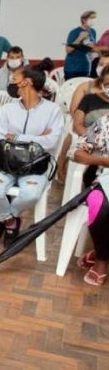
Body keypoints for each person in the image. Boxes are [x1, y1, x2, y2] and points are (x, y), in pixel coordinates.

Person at [0, 66, 64, 245]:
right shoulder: (7, 109)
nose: (12, 83)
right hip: (6, 163)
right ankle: (10, 221)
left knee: (31, 194)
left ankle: (3, 219)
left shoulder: (52, 111)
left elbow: (51, 141)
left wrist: (18, 137)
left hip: (35, 166)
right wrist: (37, 138)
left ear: (26, 82)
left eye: (15, 79)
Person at [57, 54, 109, 182]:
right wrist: (92, 135)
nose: (103, 68)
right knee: (72, 135)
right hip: (90, 132)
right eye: (101, 64)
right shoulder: (87, 91)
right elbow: (75, 114)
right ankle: (61, 167)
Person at [73, 113, 109, 285]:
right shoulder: (105, 122)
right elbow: (77, 153)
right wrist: (102, 160)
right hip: (106, 178)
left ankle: (102, 250)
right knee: (97, 204)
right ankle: (101, 259)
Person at [64, 11, 98, 79]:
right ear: (84, 20)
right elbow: (68, 50)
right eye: (91, 18)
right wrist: (79, 38)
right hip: (72, 69)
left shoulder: (93, 32)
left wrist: (93, 49)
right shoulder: (74, 32)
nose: (93, 20)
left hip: (85, 67)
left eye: (94, 18)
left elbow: (92, 48)